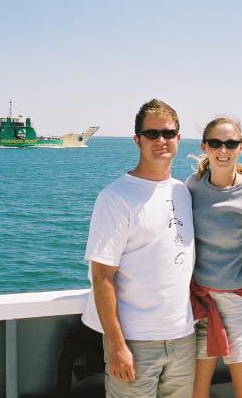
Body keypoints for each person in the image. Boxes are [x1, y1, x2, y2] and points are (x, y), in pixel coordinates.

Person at [82, 99, 196, 398]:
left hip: (183, 336)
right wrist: (117, 346)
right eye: (151, 134)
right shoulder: (115, 197)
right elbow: (102, 277)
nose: (161, 141)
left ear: (179, 139)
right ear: (137, 140)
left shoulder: (182, 191)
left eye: (169, 134)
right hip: (135, 340)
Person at [186, 117, 242, 398]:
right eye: (215, 143)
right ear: (204, 147)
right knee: (195, 394)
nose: (223, 151)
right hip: (198, 303)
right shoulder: (192, 187)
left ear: (241, 148)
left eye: (230, 143)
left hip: (236, 305)